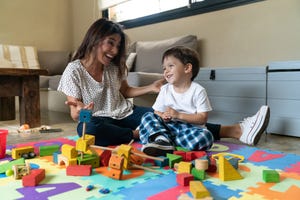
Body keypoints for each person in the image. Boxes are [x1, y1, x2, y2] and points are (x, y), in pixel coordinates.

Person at [58, 18, 269, 149]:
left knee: (164, 116)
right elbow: (76, 111)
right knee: (86, 130)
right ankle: (136, 135)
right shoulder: (73, 70)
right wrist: (79, 113)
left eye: (118, 45)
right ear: (95, 38)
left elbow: (125, 91)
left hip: (126, 113)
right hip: (101, 120)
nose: (114, 50)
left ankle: (236, 130)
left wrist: (151, 87)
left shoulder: (114, 68)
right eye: (110, 43)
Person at [139, 46, 270, 156]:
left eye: (170, 66)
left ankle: (167, 142)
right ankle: (162, 140)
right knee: (147, 116)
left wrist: (178, 115)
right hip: (169, 126)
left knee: (206, 137)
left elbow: (202, 119)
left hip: (189, 130)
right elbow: (157, 111)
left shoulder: (198, 91)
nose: (166, 71)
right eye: (164, 68)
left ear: (187, 68)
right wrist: (163, 116)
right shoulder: (165, 89)